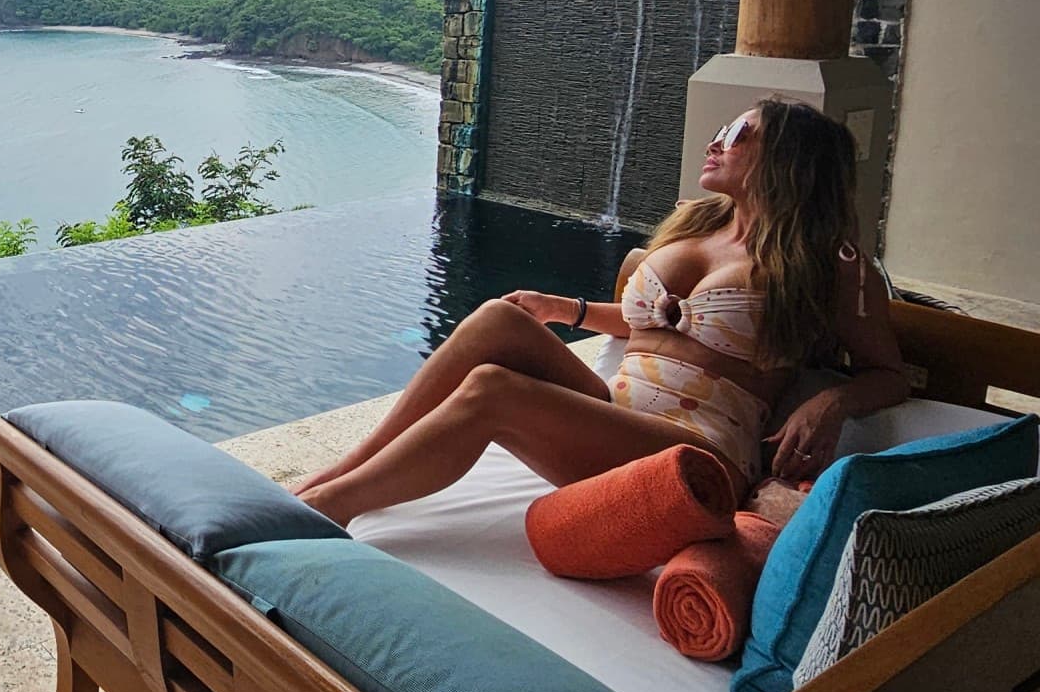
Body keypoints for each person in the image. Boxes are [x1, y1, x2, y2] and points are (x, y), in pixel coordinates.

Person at [294, 98, 909, 527]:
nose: (717, 142)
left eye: (740, 133)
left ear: (789, 160)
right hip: (617, 414)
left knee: (493, 390)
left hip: (699, 455)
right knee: (496, 320)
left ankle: (330, 507)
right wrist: (565, 308)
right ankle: (341, 469)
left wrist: (831, 401)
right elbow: (661, 325)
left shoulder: (829, 263)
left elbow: (891, 372)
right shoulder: (696, 226)